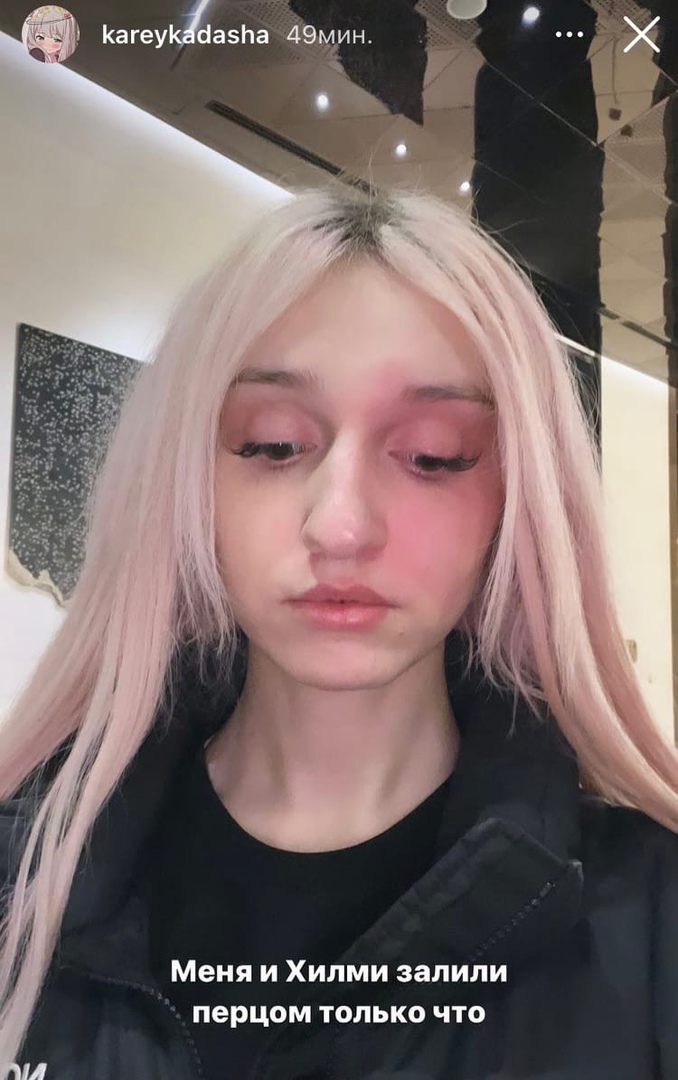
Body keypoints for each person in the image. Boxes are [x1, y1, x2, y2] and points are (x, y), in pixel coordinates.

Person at [1, 182, 677, 1080]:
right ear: (187, 482)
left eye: (433, 455)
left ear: (517, 500)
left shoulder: (652, 924)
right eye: (274, 445)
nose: (342, 527)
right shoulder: (24, 884)